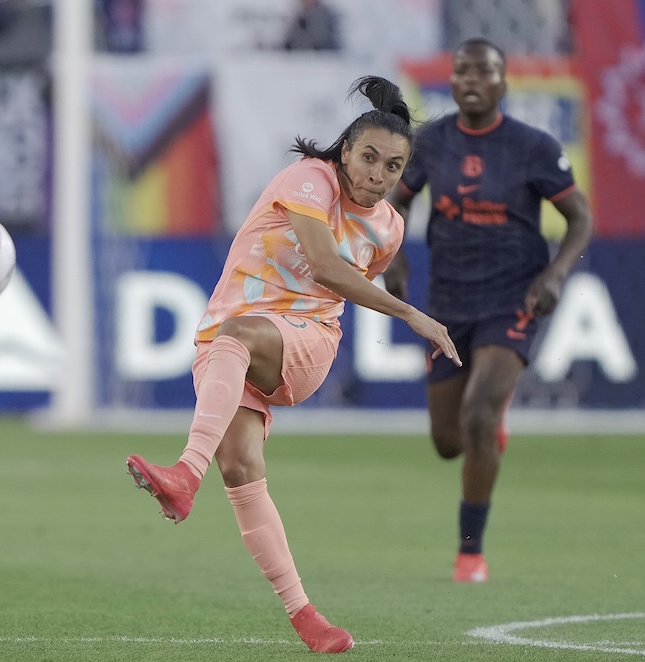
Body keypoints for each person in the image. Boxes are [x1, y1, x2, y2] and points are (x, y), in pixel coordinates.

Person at [126, 76, 461, 654]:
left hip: (304, 341)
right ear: (344, 152)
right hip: (229, 345)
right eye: (369, 158)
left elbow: (340, 285)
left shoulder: (390, 226)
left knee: (236, 337)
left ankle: (184, 474)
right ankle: (308, 619)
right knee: (241, 471)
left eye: (394, 166)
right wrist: (413, 314)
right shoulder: (308, 180)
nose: (378, 175)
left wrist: (407, 312)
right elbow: (330, 266)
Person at [384, 38, 593, 584]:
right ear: (451, 83)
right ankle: (487, 430)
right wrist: (393, 255)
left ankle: (469, 553)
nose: (471, 80)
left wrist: (554, 275)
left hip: (513, 298)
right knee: (448, 443)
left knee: (478, 415)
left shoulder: (533, 148)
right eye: (462, 72)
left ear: (503, 83)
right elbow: (396, 203)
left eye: (485, 71)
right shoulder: (430, 144)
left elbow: (580, 218)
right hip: (449, 304)